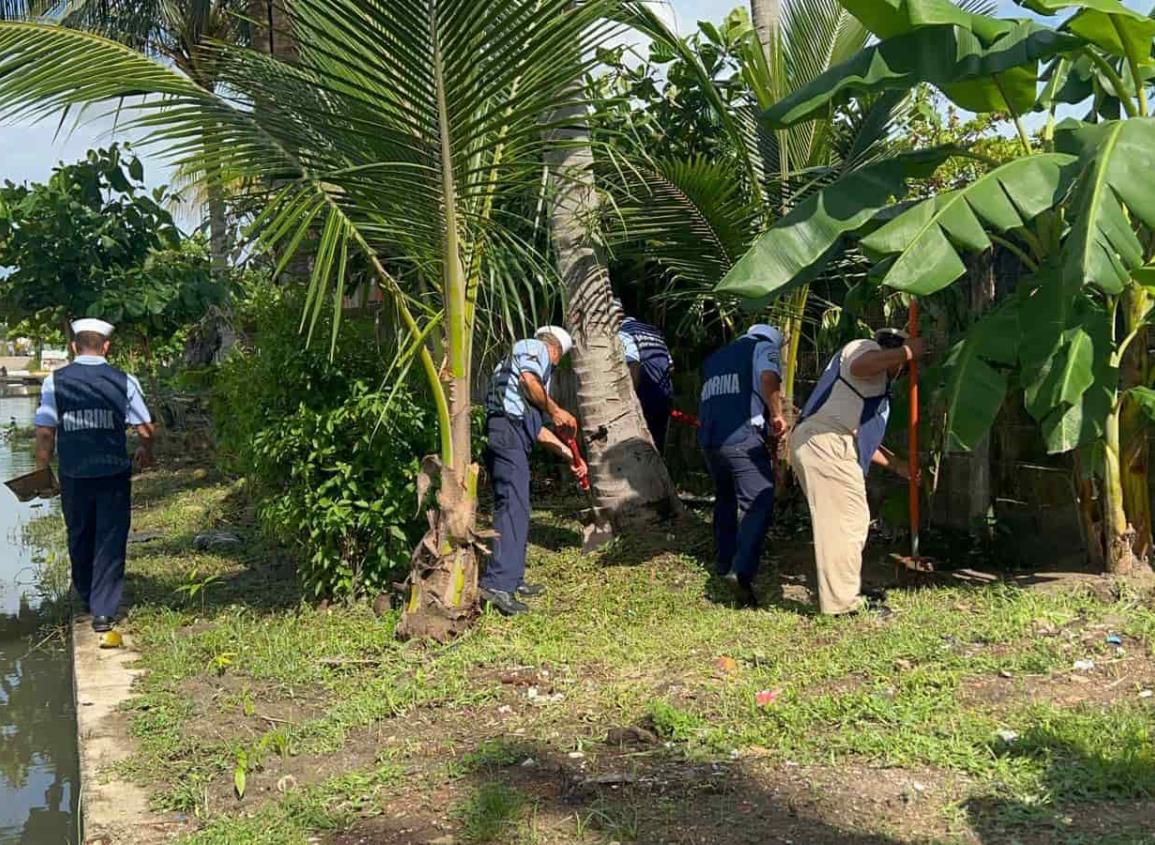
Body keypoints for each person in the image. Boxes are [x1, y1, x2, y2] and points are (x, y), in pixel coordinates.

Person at [33, 319, 154, 645]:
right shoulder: (123, 380)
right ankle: (103, 611)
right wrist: (146, 449)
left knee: (80, 533)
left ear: (74, 347)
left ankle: (87, 595)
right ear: (106, 347)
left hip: (74, 474)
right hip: (114, 472)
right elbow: (145, 427)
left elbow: (46, 430)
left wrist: (42, 470)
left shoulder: (54, 382)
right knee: (110, 538)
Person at [790, 328, 926, 617]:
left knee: (852, 520)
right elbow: (860, 365)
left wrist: (899, 466)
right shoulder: (863, 349)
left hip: (829, 442)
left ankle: (846, 590)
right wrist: (908, 351)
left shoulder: (869, 388)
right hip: (826, 442)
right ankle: (842, 605)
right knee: (844, 522)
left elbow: (858, 436)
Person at [482, 325, 586, 616]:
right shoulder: (534, 347)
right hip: (506, 432)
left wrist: (569, 455)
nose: (554, 366)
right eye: (558, 361)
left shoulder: (521, 384)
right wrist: (556, 410)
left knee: (518, 505)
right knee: (512, 505)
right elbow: (530, 381)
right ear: (555, 351)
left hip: (511, 432)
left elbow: (536, 429)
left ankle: (513, 578)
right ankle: (497, 585)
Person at [697, 324, 787, 607]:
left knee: (725, 499)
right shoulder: (763, 347)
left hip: (710, 440)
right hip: (742, 438)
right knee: (757, 501)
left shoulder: (716, 358)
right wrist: (777, 415)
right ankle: (742, 571)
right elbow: (768, 378)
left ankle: (723, 562)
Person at [614, 300, 675, 452]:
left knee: (639, 450)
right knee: (657, 449)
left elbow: (633, 364)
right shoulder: (653, 331)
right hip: (664, 395)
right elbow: (671, 366)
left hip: (643, 396)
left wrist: (630, 400)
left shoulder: (623, 333)